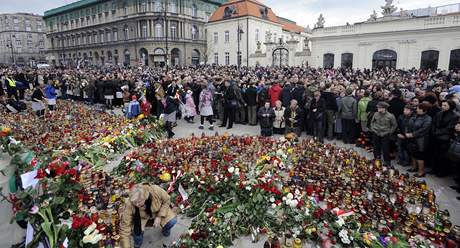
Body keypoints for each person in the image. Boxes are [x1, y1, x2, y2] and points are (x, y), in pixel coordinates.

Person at [120, 183, 176, 248]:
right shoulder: (130, 204)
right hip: (141, 218)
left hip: (157, 212)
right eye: (134, 202)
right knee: (137, 232)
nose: (137, 204)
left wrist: (159, 216)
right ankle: (138, 243)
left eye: (139, 201)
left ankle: (165, 230)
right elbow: (124, 228)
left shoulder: (155, 190)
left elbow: (167, 200)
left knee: (172, 221)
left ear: (145, 197)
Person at [431, 100, 459, 177]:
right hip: (436, 137)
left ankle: (442, 172)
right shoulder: (439, 113)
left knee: (443, 156)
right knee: (435, 154)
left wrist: (437, 132)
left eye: (445, 105)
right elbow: (434, 123)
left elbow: (449, 128)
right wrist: (434, 131)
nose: (443, 107)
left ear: (451, 106)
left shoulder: (455, 115)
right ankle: (434, 169)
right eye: (442, 105)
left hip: (445, 138)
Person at [405, 102, 432, 177]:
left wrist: (413, 134)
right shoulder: (415, 116)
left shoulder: (428, 118)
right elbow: (409, 124)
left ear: (424, 110)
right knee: (412, 153)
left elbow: (424, 129)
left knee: (420, 156)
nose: (416, 109)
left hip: (421, 140)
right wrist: (408, 133)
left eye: (418, 108)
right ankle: (414, 167)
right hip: (411, 138)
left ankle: (421, 171)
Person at [370, 102, 397, 166]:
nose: (377, 108)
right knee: (376, 147)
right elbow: (372, 122)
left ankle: (387, 161)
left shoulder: (390, 116)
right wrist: (373, 129)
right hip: (376, 132)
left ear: (384, 108)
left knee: (385, 148)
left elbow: (394, 125)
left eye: (379, 107)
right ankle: (377, 159)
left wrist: (390, 132)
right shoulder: (376, 114)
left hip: (385, 134)